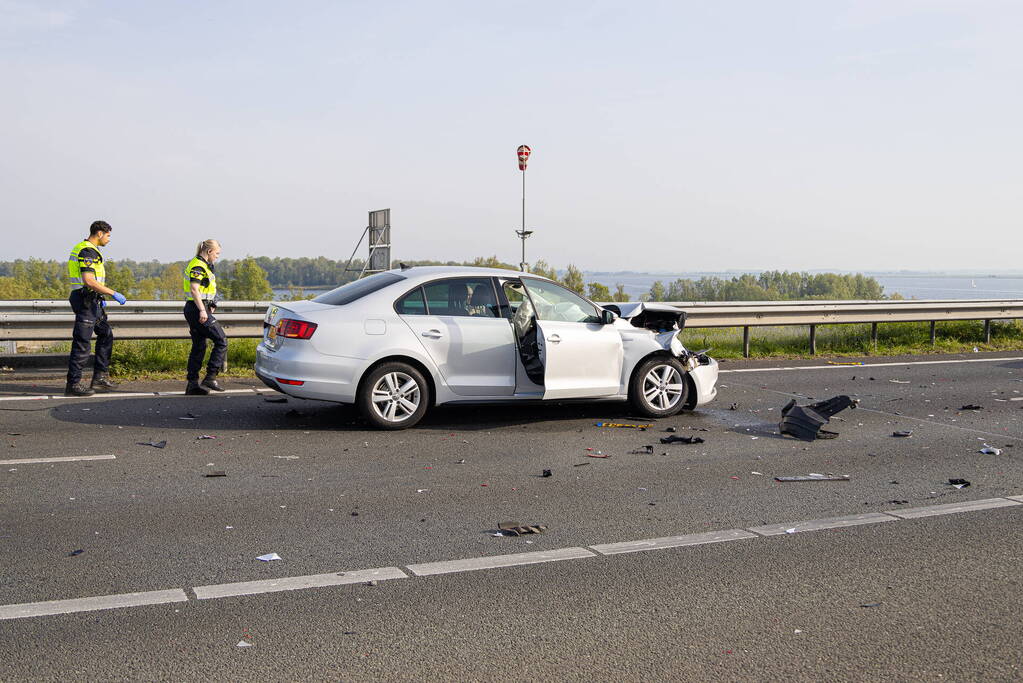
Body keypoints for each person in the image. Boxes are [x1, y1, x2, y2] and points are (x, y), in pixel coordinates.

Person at [65, 220, 129, 396]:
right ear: (99, 233)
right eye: (108, 235)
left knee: (106, 334)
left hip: (93, 300)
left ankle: (100, 379)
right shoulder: (87, 251)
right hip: (85, 300)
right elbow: (89, 280)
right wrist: (113, 293)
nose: (109, 239)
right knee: (82, 343)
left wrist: (100, 298)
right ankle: (73, 384)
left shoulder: (92, 250)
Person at [183, 239, 227, 395]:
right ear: (209, 252)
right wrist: (202, 310)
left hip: (198, 308)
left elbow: (204, 289)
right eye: (217, 253)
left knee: (199, 347)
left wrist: (211, 304)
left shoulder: (204, 265)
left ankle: (192, 384)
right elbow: (194, 290)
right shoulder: (198, 266)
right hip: (197, 310)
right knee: (221, 340)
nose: (217, 257)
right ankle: (210, 376)